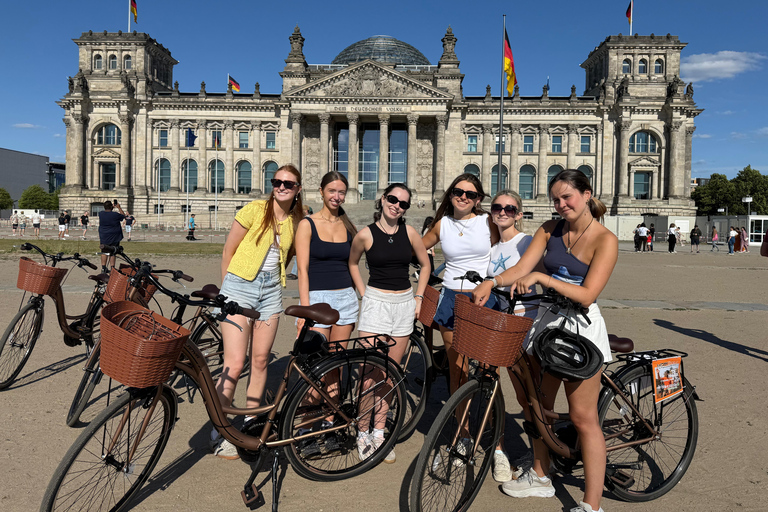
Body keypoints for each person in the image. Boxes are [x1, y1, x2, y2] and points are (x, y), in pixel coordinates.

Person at [473, 169, 617, 512]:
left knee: (583, 418)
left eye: (567, 197)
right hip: (548, 325)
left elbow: (588, 294)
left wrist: (543, 278)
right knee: (540, 407)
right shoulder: (550, 229)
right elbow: (522, 268)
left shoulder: (605, 239)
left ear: (586, 194)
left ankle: (591, 505)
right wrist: (492, 282)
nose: (561, 204)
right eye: (555, 199)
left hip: (581, 330)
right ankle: (540, 475)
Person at [212, 164, 304, 460]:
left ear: (298, 189)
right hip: (239, 287)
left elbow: (290, 259)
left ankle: (251, 422)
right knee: (235, 363)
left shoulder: (296, 221)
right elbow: (229, 250)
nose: (281, 187)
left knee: (261, 360)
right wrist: (225, 293)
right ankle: (221, 428)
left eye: (288, 184)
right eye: (277, 181)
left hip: (271, 293)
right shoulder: (254, 209)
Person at [348, 183, 431, 464]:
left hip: (404, 304)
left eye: (403, 203)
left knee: (391, 375)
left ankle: (380, 430)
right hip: (376, 304)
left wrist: (419, 296)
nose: (397, 205)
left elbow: (426, 264)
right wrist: (363, 293)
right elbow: (352, 263)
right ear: (383, 200)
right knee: (369, 374)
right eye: (393, 199)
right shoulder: (365, 234)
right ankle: (362, 431)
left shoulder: (410, 232)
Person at [421, 173, 499, 398]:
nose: (463, 197)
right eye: (458, 192)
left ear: (478, 199)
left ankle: (494, 424)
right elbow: (415, 248)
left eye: (470, 194)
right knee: (458, 370)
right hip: (451, 297)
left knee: (489, 369)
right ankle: (462, 430)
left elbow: (504, 249)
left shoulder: (487, 222)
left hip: (483, 297)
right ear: (451, 195)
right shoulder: (442, 225)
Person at [486, 189, 540, 481]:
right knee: (491, 389)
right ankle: (499, 452)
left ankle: (536, 452)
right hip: (495, 324)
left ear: (519, 213)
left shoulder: (527, 242)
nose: (503, 212)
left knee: (525, 394)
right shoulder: (490, 247)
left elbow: (543, 276)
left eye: (509, 208)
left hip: (522, 323)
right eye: (497, 207)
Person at [295, 171, 358, 343]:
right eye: (332, 191)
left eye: (341, 192)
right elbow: (302, 270)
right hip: (316, 299)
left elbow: (352, 266)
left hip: (345, 298)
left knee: (336, 362)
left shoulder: (349, 226)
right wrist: (304, 310)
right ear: (321, 191)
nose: (336, 196)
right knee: (316, 360)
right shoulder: (307, 224)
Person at [98, 201, 126, 272]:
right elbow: (123, 216)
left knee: (104, 251)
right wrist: (119, 207)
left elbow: (107, 212)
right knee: (113, 251)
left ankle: (103, 267)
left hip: (104, 235)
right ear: (111, 207)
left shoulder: (101, 214)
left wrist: (111, 207)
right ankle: (112, 267)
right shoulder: (115, 215)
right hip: (114, 236)